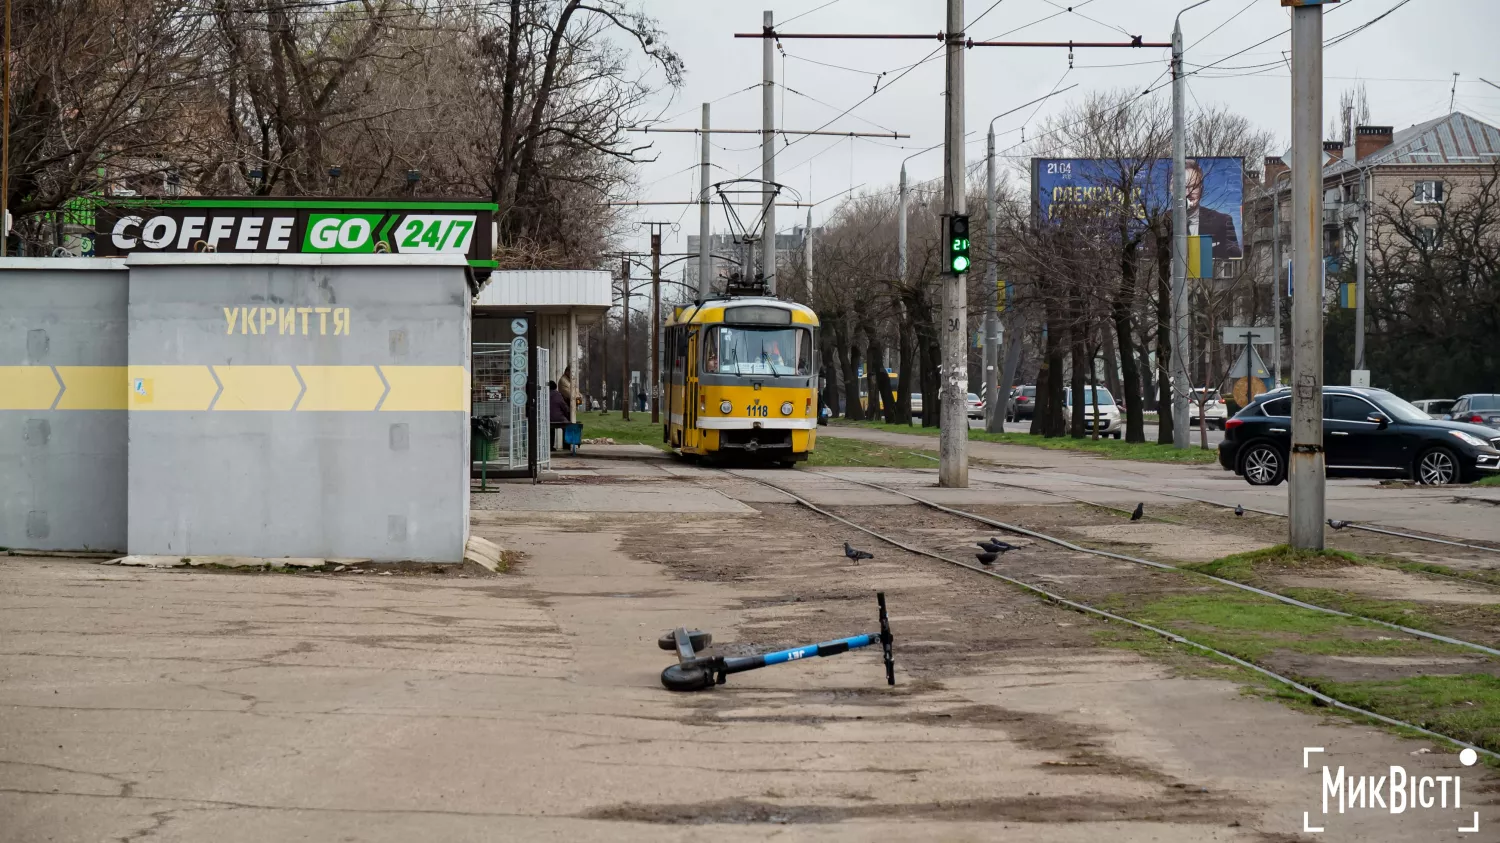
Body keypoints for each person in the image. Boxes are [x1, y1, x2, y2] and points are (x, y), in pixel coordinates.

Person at [1184, 158, 1242, 260]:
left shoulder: (1222, 221)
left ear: (1201, 189)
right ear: (1173, 190)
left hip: (1211, 274)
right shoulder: (1160, 224)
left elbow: (1235, 255)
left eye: (1194, 186)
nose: (1189, 192)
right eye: (1184, 187)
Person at [548, 381, 569, 451]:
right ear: (555, 387)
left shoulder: (544, 394)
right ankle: (566, 445)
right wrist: (567, 415)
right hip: (558, 418)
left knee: (551, 429)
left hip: (548, 418)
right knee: (566, 426)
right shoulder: (558, 394)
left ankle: (550, 446)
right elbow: (563, 406)